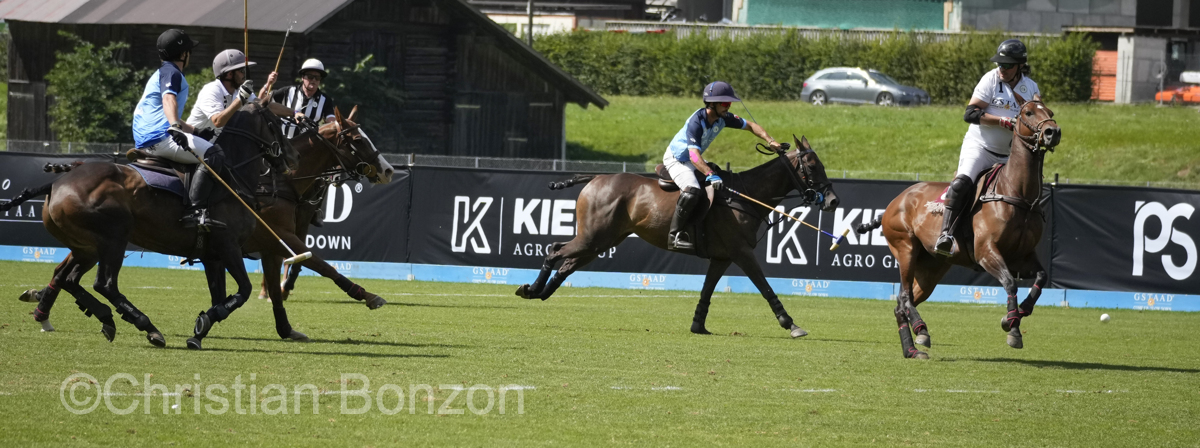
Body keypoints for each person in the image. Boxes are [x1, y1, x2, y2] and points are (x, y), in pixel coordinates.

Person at [936, 39, 1041, 256]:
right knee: (962, 182)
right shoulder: (991, 80)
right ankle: (946, 234)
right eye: (999, 64)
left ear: (1020, 66)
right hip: (981, 148)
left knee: (1029, 193)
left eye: (1007, 65)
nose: (1001, 69)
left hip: (1010, 156)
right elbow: (970, 114)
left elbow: (1038, 113)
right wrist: (1002, 121)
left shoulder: (1030, 87)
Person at [662, 81, 783, 251]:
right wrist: (709, 173)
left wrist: (770, 140)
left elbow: (750, 125)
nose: (729, 106)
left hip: (693, 158)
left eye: (729, 103)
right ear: (712, 103)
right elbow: (693, 155)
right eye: (725, 103)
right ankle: (674, 235)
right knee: (692, 191)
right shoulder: (697, 122)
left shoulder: (723, 118)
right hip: (677, 159)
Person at [131, 29, 222, 231]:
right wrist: (175, 128)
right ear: (183, 54)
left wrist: (193, 131)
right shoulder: (172, 73)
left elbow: (163, 111)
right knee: (214, 154)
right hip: (160, 138)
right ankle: (195, 212)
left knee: (204, 145)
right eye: (189, 50)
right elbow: (168, 99)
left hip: (146, 137)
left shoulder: (161, 73)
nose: (190, 54)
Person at [271, 58, 338, 227]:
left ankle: (315, 210)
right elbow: (262, 101)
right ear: (303, 77)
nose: (313, 80)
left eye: (317, 77)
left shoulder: (325, 100)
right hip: (283, 144)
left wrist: (333, 125)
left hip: (307, 150)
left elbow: (331, 121)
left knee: (323, 175)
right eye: (310, 76)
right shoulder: (287, 92)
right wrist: (268, 83)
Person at [186, 49, 294, 138]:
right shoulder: (211, 90)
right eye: (242, 71)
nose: (245, 75)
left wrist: (294, 113)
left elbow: (264, 105)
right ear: (229, 74)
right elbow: (218, 121)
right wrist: (239, 100)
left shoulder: (238, 91)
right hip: (192, 143)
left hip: (215, 148)